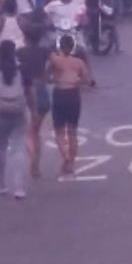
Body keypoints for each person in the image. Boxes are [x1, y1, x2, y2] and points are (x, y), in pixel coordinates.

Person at [0, 41, 31, 199]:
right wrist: (32, 108)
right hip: (18, 111)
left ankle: (2, 183)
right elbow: (29, 91)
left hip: (0, 112)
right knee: (18, 147)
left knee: (1, 146)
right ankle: (19, 187)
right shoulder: (23, 68)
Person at [47, 35, 89, 177]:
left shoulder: (55, 60)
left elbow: (47, 76)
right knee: (72, 131)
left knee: (59, 131)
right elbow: (86, 79)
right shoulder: (79, 62)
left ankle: (65, 156)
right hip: (73, 95)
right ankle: (71, 161)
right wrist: (76, 82)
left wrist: (54, 78)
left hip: (59, 94)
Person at [16, 25, 53, 179]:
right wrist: (46, 76)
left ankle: (33, 160)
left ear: (26, 37)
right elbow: (53, 63)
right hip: (42, 88)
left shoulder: (20, 52)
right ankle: (36, 164)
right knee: (36, 131)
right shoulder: (45, 51)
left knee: (28, 132)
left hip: (26, 90)